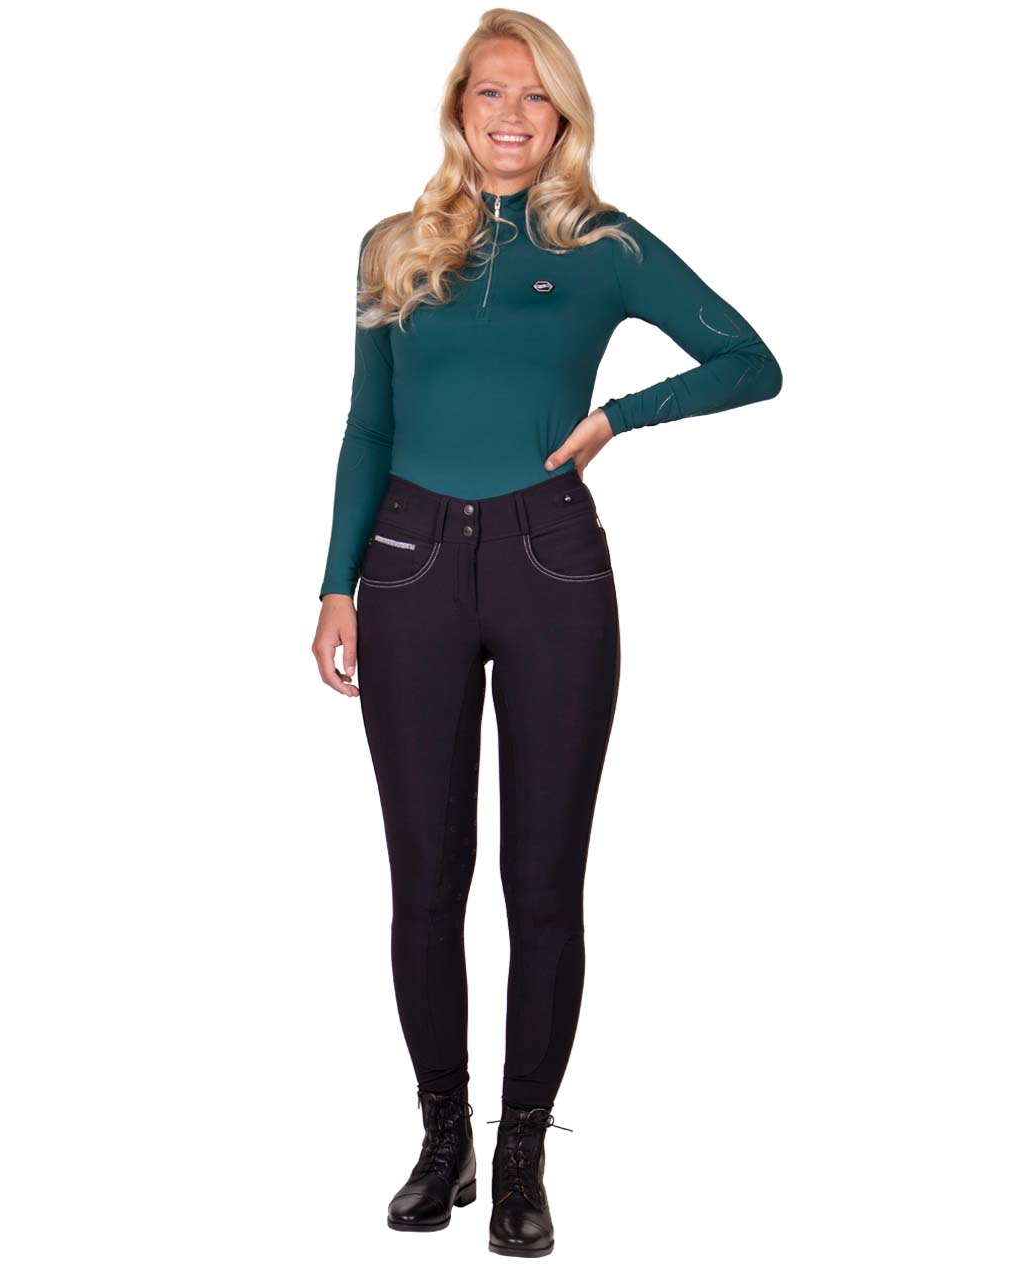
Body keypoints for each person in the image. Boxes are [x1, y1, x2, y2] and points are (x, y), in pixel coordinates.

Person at [311, 11, 782, 1258]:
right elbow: (368, 426)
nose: (510, 116)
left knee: (543, 878)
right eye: (489, 94)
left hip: (550, 564)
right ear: (458, 109)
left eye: (533, 96)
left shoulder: (605, 248)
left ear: (563, 114)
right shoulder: (393, 247)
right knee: (424, 874)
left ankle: (520, 1146)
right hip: (407, 563)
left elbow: (751, 360)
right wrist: (335, 583)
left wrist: (621, 414)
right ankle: (442, 1136)